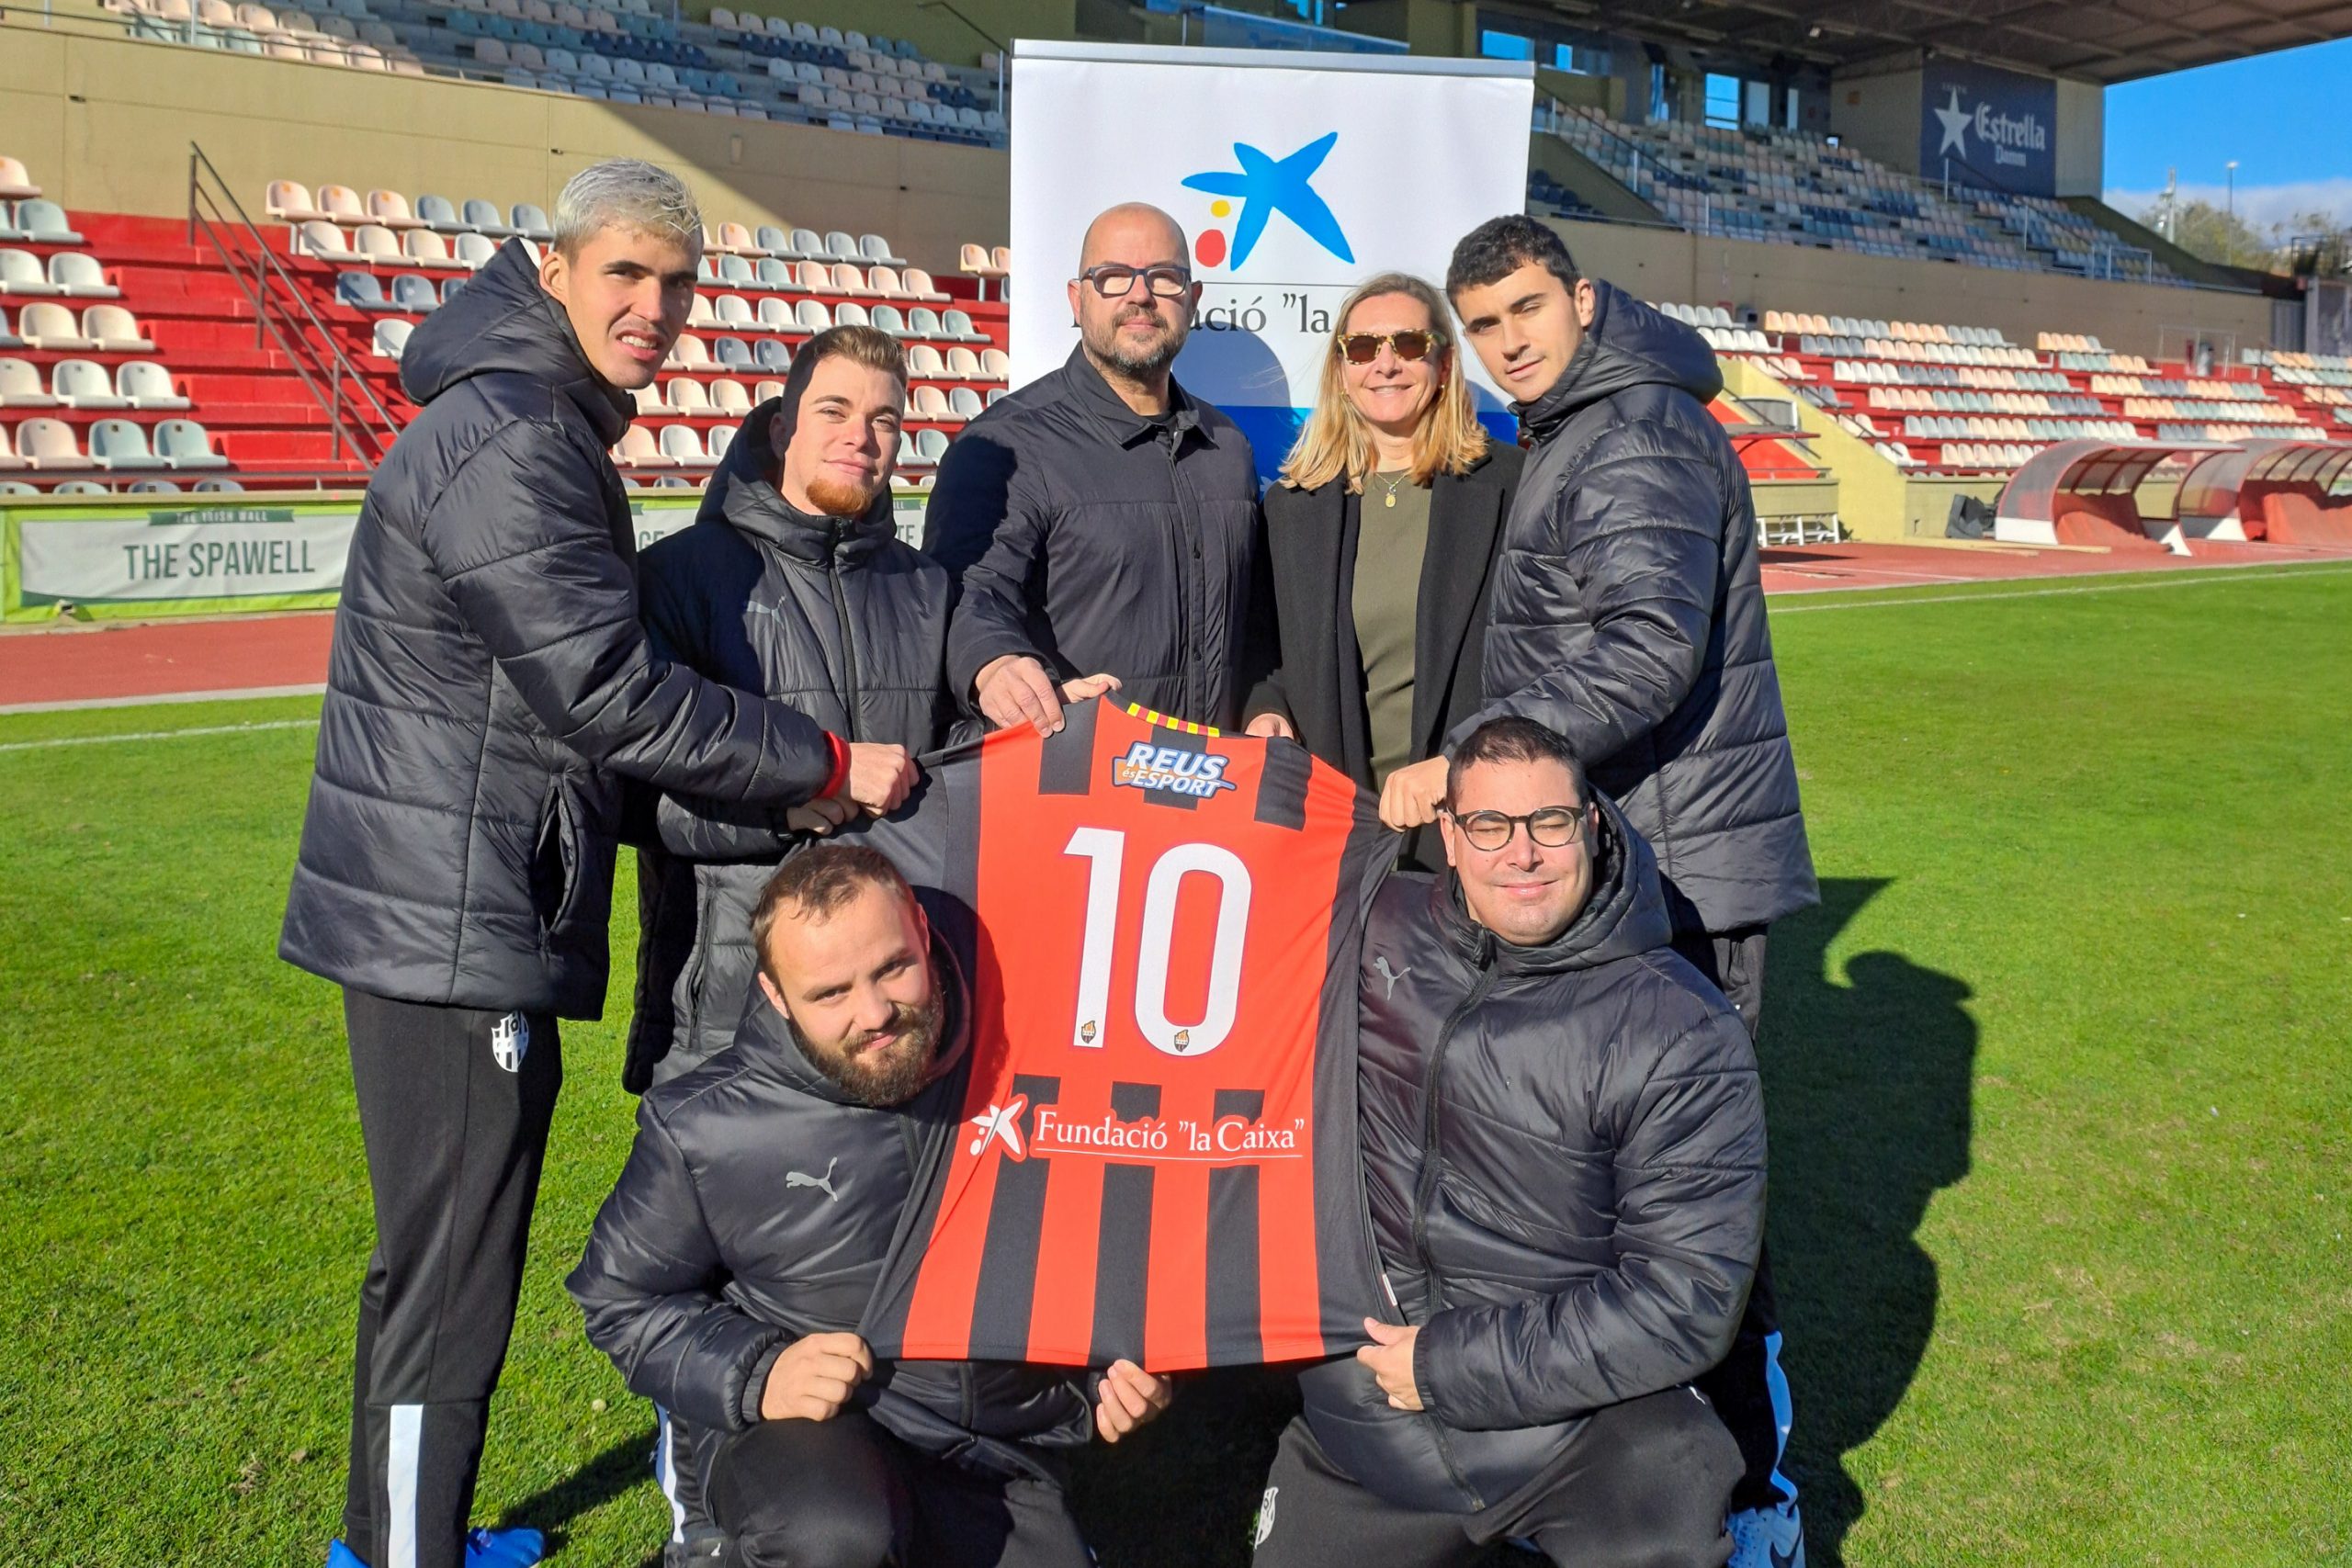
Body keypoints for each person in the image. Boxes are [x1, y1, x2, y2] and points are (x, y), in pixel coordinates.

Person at [281, 161, 913, 1568]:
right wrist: (821, 764)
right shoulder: (514, 433)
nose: (655, 306)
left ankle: (401, 1535)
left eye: (677, 282)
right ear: (552, 270)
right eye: (625, 273)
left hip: (459, 901)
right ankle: (396, 1556)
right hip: (451, 915)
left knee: (450, 1254)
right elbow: (607, 688)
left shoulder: (527, 414)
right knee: (450, 1266)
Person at [625, 324, 1114, 1560]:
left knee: (860, 1259)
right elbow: (636, 785)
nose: (863, 435)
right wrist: (805, 787)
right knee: (715, 1268)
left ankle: (892, 1463)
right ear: (785, 420)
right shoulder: (687, 574)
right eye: (838, 409)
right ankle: (710, 1499)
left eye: (887, 419)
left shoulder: (923, 585)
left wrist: (1044, 710)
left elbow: (982, 746)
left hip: (884, 1011)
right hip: (726, 987)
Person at [1441, 215, 1815, 1566]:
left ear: (1583, 299)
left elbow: (1651, 650)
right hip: (1651, 854)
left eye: (1528, 310)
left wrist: (1481, 769)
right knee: (1626, 1188)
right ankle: (1639, 1484)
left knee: (1696, 1201)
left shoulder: (1639, 426)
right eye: (1484, 326)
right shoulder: (1583, 424)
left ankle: (1755, 1496)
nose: (1510, 343)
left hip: (1684, 872)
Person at [570, 844, 1173, 1568]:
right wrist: (761, 1373)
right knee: (837, 1538)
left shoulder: (1047, 1064)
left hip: (997, 1456)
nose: (875, 1012)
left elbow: (1116, 1244)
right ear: (773, 994)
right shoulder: (706, 1126)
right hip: (815, 1440)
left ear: (922, 928)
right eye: (830, 993)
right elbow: (618, 1299)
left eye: (893, 967)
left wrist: (1110, 1368)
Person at [1252, 717, 1763, 1568]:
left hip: (1573, 1425)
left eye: (1549, 823)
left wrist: (1450, 1366)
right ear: (1449, 836)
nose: (1520, 853)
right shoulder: (1377, 934)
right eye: (1489, 825)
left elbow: (1686, 1295)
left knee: (1673, 1480)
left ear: (1592, 824)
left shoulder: (1682, 1027)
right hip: (1368, 1408)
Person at [922, 201, 1271, 734]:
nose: (1140, 295)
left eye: (1165, 277)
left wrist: (1268, 708)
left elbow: (1256, 623)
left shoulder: (1228, 448)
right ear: (1077, 299)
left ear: (1193, 300)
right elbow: (969, 594)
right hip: (1077, 788)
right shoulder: (1005, 444)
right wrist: (995, 666)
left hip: (1215, 791)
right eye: (1112, 277)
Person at [1241, 271, 1521, 871]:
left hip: (1475, 822)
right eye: (1364, 348)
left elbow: (1542, 659)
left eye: (1410, 345)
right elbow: (1268, 653)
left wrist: (1462, 761)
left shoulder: (1512, 485)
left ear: (1443, 364)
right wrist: (1266, 709)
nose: (1386, 364)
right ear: (1342, 370)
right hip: (1334, 831)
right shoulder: (1294, 506)